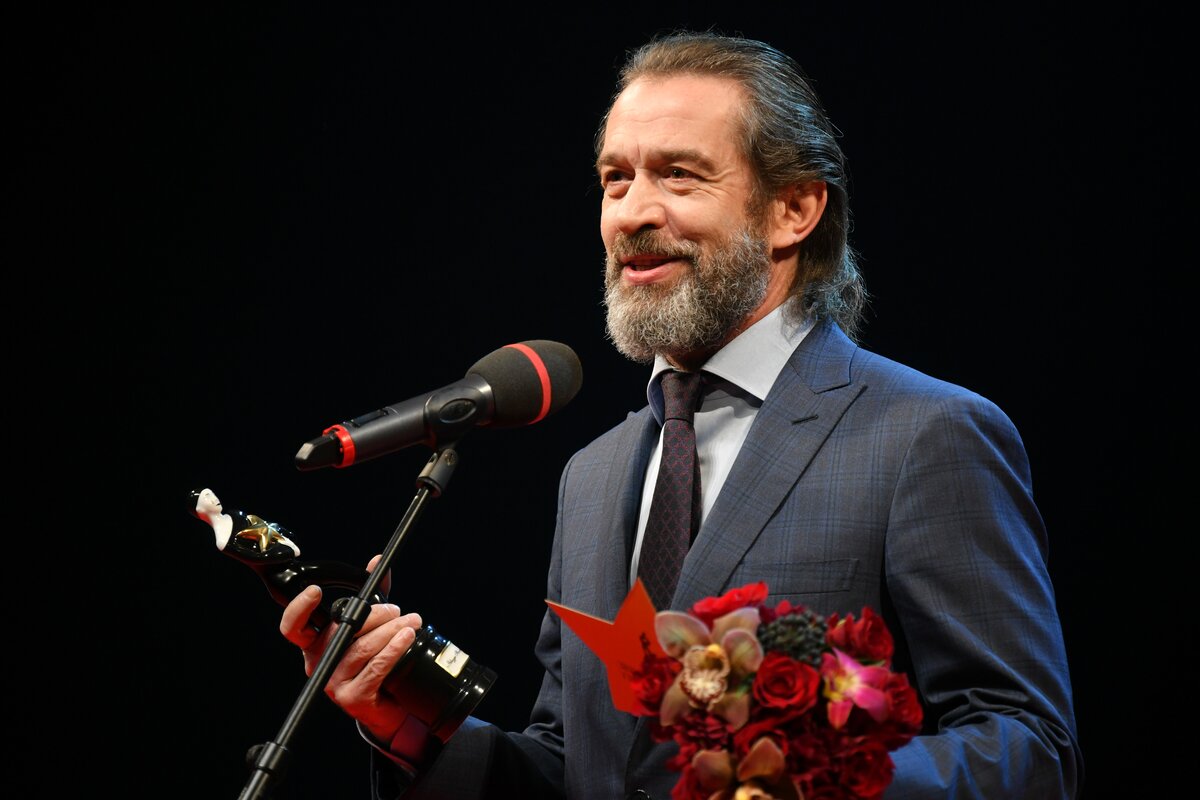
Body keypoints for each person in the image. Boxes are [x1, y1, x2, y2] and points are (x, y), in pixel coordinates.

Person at [279, 30, 1082, 799]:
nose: (632, 212)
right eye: (615, 179)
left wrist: (803, 780)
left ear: (794, 209)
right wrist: (408, 725)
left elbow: (1028, 750)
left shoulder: (924, 436)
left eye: (679, 175)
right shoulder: (592, 476)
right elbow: (584, 769)